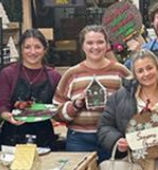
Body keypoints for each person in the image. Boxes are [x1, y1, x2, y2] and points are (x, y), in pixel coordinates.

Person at [54, 25, 130, 159]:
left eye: (100, 42)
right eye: (89, 43)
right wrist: (75, 105)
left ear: (107, 45)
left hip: (113, 138)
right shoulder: (72, 74)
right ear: (82, 46)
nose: (95, 47)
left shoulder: (120, 72)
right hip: (79, 139)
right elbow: (56, 111)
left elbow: (136, 101)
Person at [0, 29, 61, 148]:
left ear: (44, 49)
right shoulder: (7, 74)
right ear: (21, 49)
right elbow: (2, 106)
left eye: (37, 47)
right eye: (27, 47)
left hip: (44, 136)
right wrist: (8, 116)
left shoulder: (54, 76)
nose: (33, 52)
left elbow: (58, 106)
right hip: (13, 135)